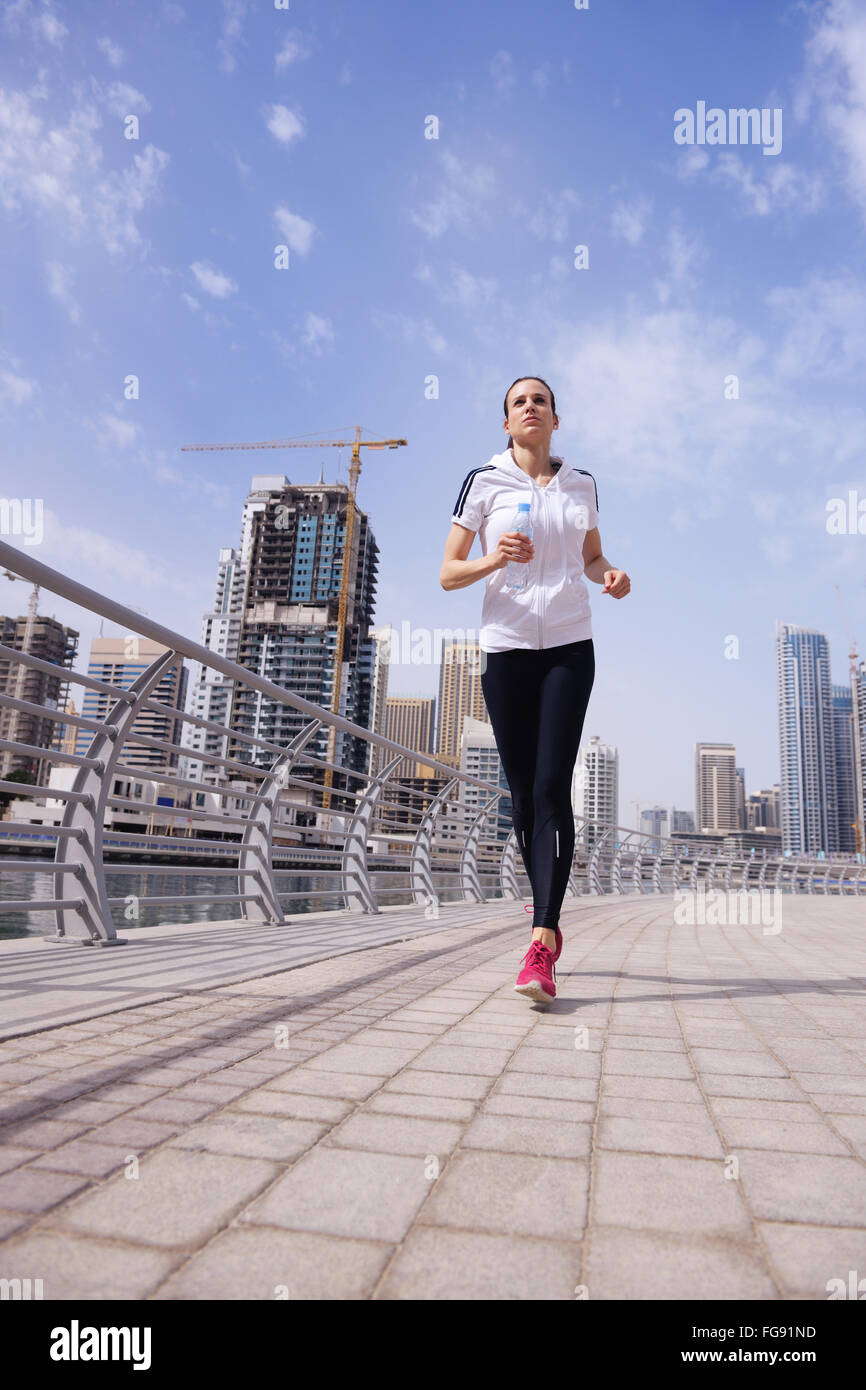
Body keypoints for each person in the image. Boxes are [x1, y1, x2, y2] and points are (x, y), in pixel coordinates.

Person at [440, 376, 631, 1002]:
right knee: (523, 796)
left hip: (571, 649)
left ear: (555, 418)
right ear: (506, 424)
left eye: (539, 400)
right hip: (508, 650)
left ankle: (543, 938)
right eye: (518, 402)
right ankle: (543, 918)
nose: (530, 407)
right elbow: (447, 574)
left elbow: (592, 558)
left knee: (553, 783)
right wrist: (495, 560)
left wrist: (612, 575)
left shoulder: (583, 484)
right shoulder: (483, 482)